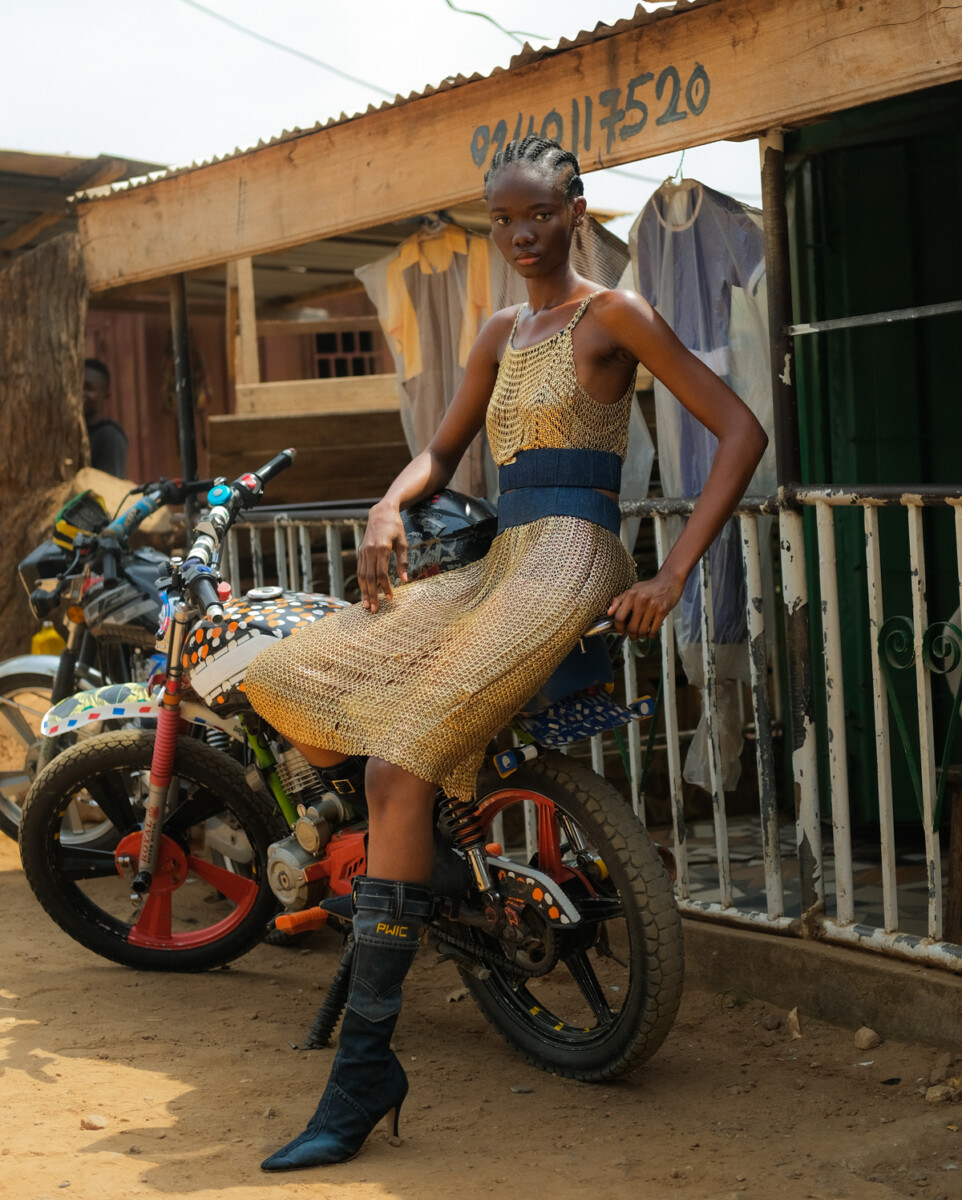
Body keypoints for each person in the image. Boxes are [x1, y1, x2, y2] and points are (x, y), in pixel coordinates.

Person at [245, 136, 768, 1172]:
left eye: (538, 213)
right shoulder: (496, 328)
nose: (520, 233)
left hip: (573, 555)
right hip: (495, 558)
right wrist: (389, 506)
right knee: (283, 669)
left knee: (398, 761)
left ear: (575, 210)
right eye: (502, 218)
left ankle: (360, 1079)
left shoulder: (611, 314)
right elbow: (440, 451)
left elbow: (739, 427)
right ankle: (424, 856)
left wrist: (671, 574)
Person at [83, 358, 129, 478]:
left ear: (105, 395)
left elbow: (108, 492)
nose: (81, 393)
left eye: (89, 388)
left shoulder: (110, 437)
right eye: (77, 385)